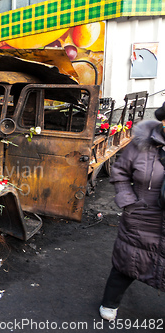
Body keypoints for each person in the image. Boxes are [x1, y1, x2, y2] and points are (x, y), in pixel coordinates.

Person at [99, 101, 165, 321]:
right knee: (129, 261)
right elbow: (119, 173)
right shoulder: (141, 144)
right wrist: (129, 203)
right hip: (142, 218)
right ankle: (110, 303)